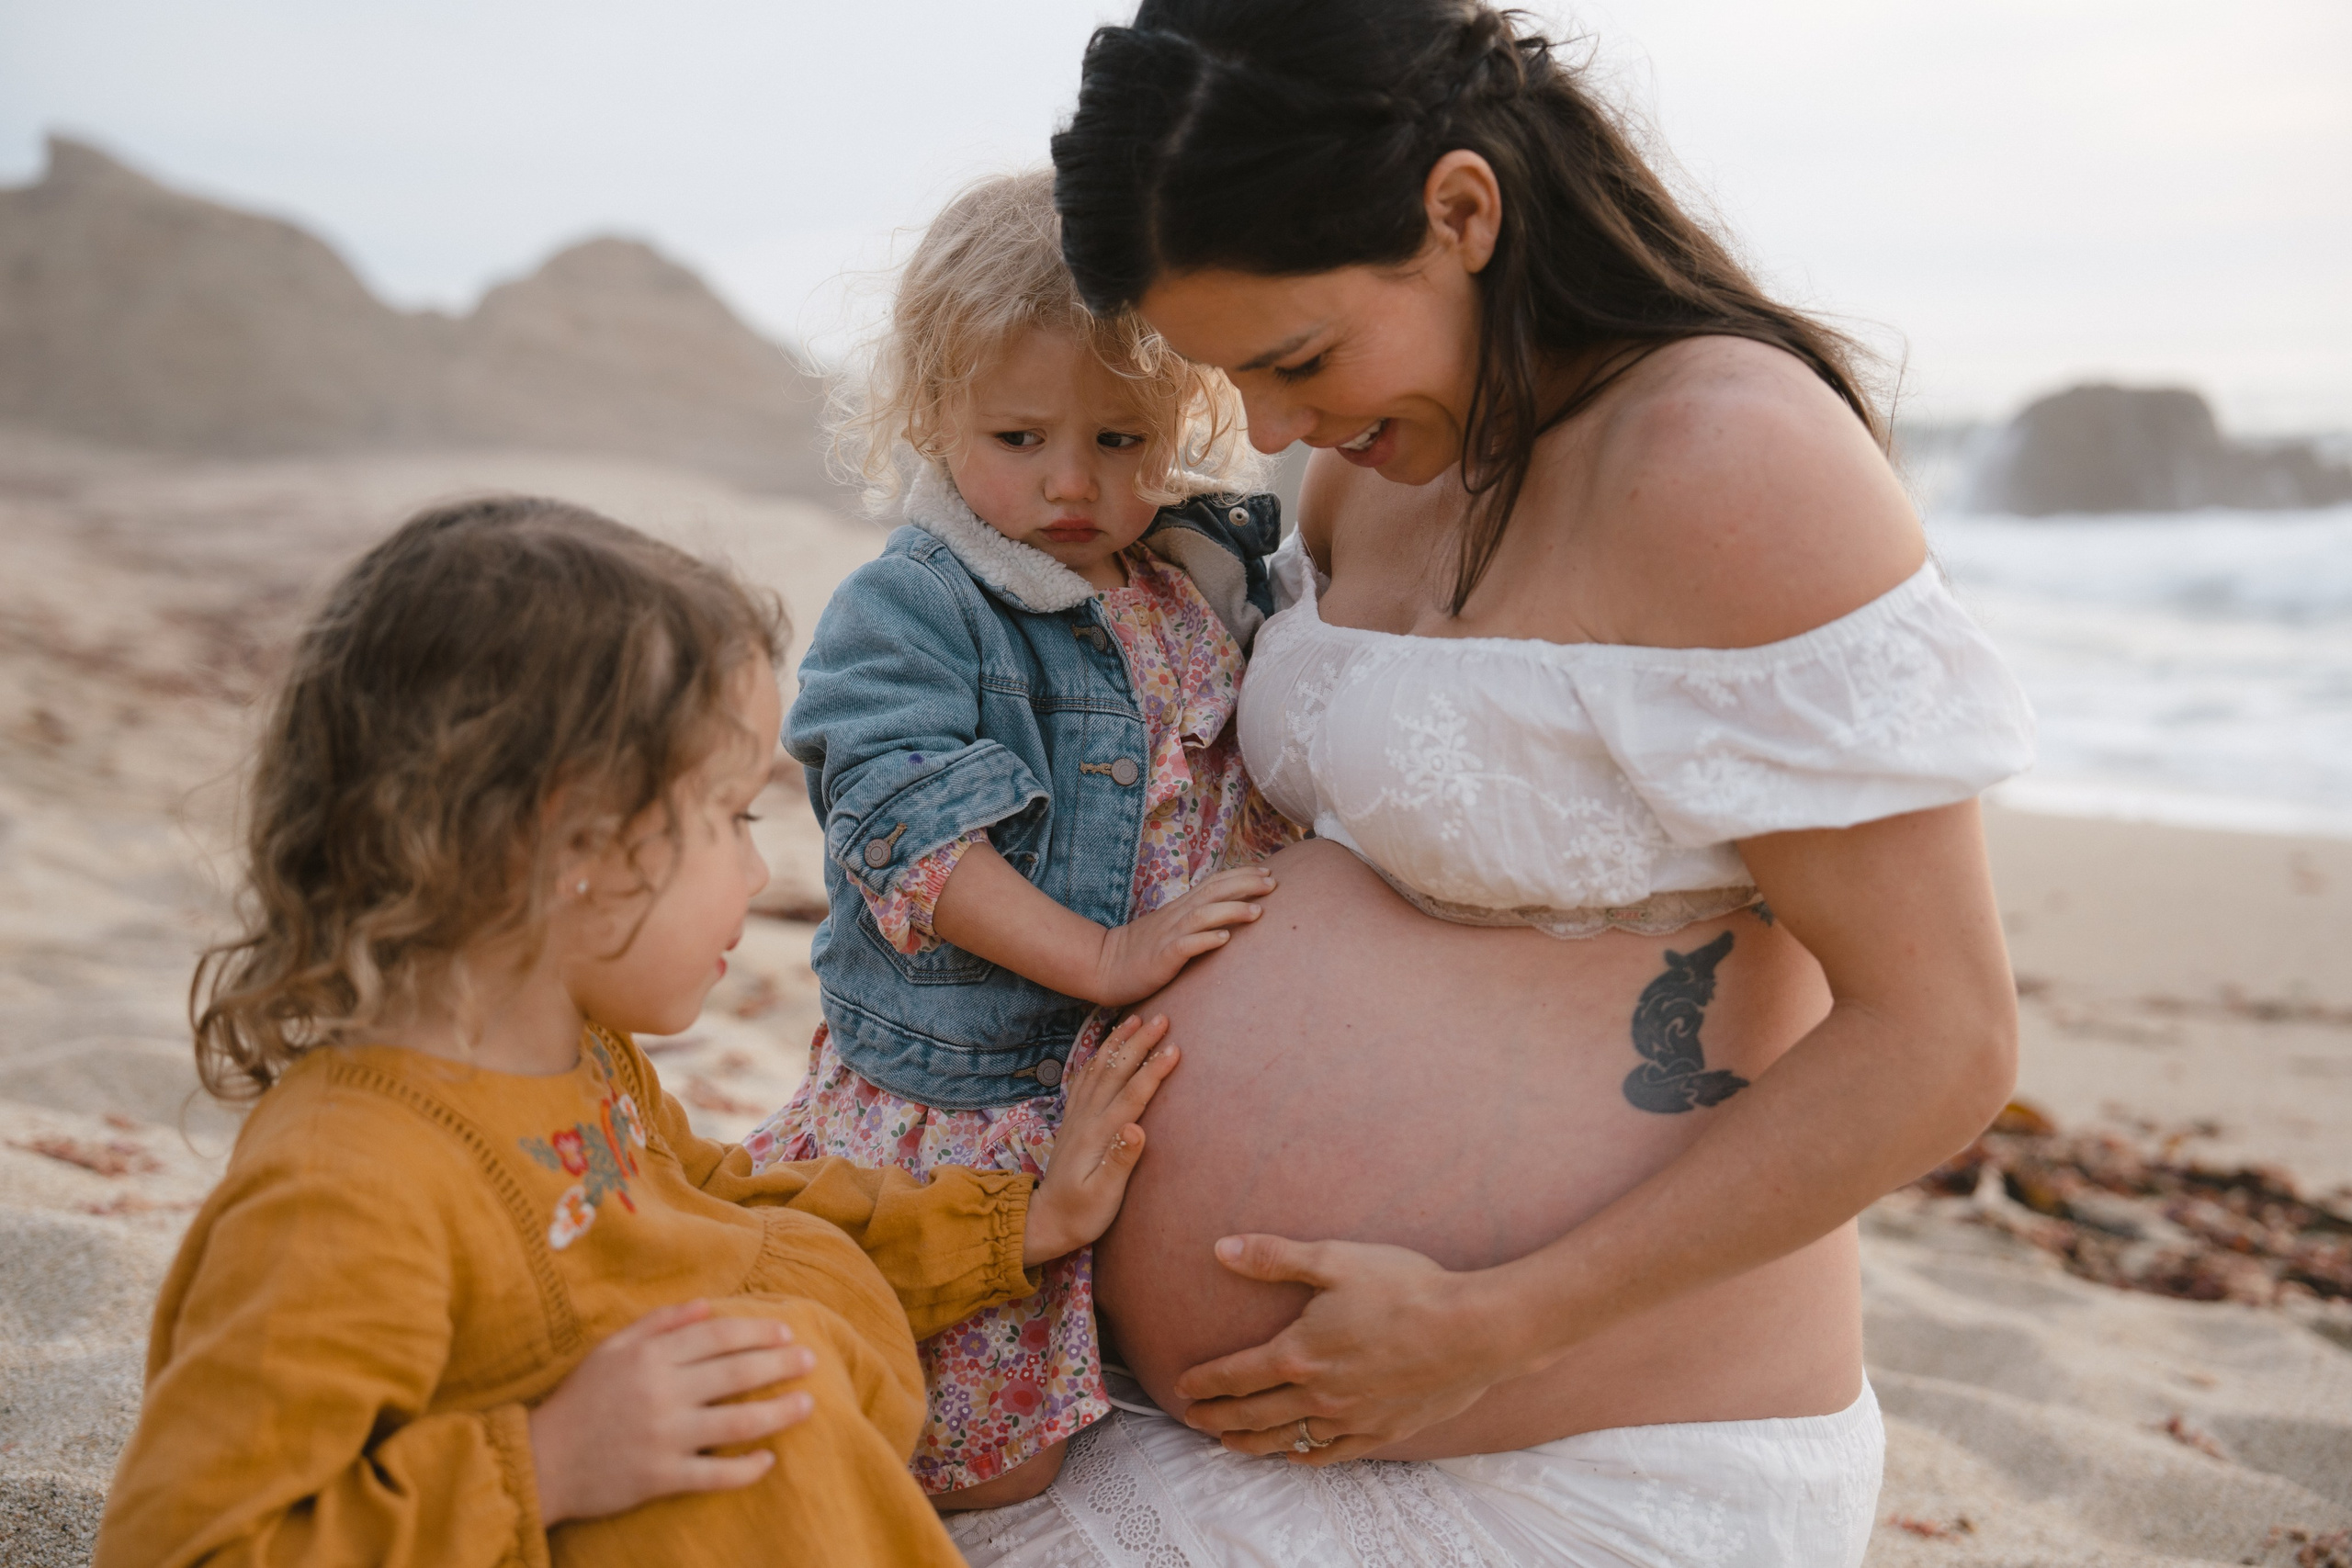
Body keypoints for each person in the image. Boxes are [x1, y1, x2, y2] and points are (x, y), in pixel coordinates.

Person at [951, 2, 2039, 1563]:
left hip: (1584, 1448)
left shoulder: (1728, 460)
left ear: (1461, 214)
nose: (1269, 429)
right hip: (1185, 1400)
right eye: (1233, 378)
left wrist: (1496, 1322)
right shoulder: (1376, 458)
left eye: (1298, 358)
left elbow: (1942, 1035)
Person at [92, 497, 1178, 1568]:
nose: (758, 874)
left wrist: (1019, 1225)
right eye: (727, 817)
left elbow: (729, 1207)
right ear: (571, 841)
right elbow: (193, 1544)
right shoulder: (345, 1191)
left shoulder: (582, 1059)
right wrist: (548, 1464)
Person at [744, 167, 1302, 1510]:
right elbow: (902, 827)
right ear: (931, 412)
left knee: (1092, 1396)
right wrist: (1103, 955)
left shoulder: (1187, 579)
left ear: (1184, 417)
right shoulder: (920, 605)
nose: (1072, 481)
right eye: (1020, 436)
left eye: (1120, 440)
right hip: (976, 1090)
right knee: (989, 1456)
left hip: (1104, 1082)